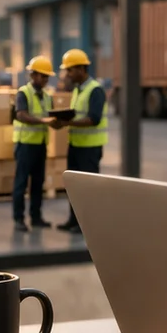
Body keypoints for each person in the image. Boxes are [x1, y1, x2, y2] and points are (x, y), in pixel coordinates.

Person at [50, 48, 107, 233]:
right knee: (73, 187)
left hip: (90, 149)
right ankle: (73, 221)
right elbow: (77, 116)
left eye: (70, 70)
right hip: (75, 146)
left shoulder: (95, 90)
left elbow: (93, 119)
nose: (67, 74)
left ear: (81, 69)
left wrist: (67, 123)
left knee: (88, 190)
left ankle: (87, 226)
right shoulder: (77, 90)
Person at [11, 55, 54, 233]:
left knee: (38, 182)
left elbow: (50, 116)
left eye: (47, 77)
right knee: (21, 182)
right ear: (33, 75)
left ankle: (36, 217)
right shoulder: (23, 93)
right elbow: (21, 115)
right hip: (25, 144)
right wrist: (43, 121)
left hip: (40, 145)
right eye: (42, 76)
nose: (45, 80)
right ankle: (19, 218)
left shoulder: (47, 97)